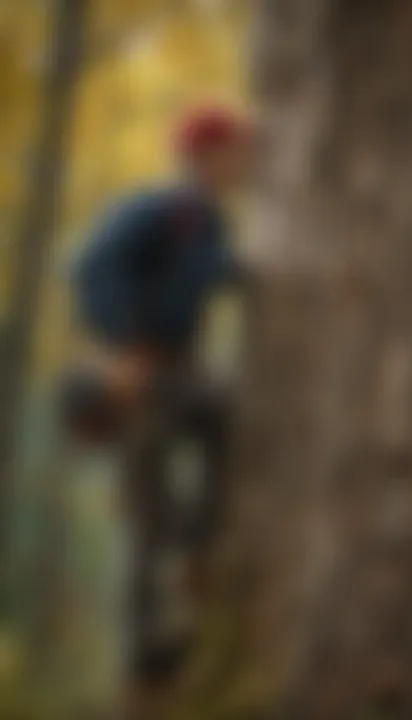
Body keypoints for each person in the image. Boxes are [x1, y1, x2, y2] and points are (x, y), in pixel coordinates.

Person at [62, 105, 255, 691]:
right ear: (205, 154)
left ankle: (200, 548)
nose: (243, 162)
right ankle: (146, 663)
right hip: (140, 377)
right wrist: (123, 344)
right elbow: (88, 265)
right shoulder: (157, 208)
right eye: (235, 150)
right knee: (147, 519)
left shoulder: (211, 222)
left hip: (185, 371)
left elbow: (215, 274)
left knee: (236, 420)